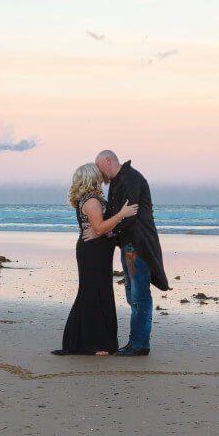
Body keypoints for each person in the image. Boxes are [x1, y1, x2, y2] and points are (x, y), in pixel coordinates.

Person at [85, 150, 169, 356]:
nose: (98, 174)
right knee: (133, 293)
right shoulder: (118, 181)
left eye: (99, 167)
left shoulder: (131, 179)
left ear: (107, 161)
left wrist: (105, 231)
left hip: (137, 246)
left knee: (139, 295)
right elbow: (118, 215)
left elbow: (129, 216)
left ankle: (139, 344)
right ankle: (136, 342)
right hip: (129, 247)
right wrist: (102, 228)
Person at [54, 163, 138, 356]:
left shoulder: (90, 199)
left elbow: (100, 229)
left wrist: (104, 229)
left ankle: (90, 341)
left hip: (96, 250)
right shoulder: (91, 200)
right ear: (92, 178)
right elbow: (99, 228)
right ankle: (96, 343)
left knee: (97, 291)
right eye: (98, 175)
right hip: (93, 252)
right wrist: (121, 214)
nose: (102, 177)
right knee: (95, 292)